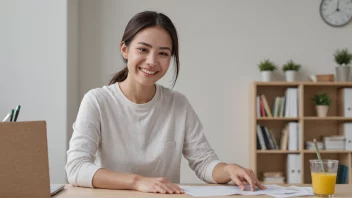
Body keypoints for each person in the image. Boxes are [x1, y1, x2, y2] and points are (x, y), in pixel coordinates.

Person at [65, 10, 265, 194]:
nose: (152, 61)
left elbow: (204, 163)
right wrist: (137, 182)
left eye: (163, 53)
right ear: (125, 50)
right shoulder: (97, 101)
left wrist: (228, 169)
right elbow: (76, 167)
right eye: (143, 49)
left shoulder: (178, 103)